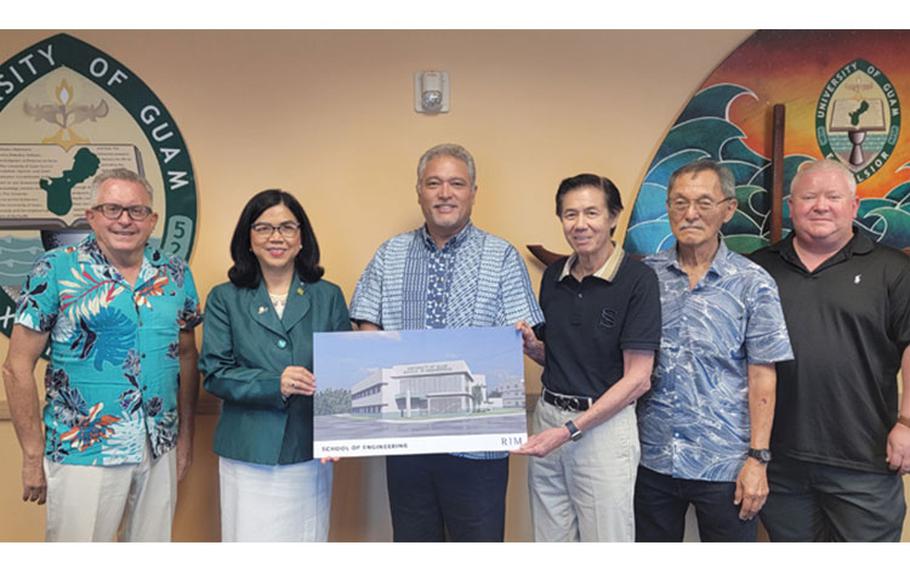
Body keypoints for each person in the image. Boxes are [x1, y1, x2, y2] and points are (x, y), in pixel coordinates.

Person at [349, 143, 544, 542]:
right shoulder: (390, 254)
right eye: (433, 183)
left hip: (480, 444)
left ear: (473, 191)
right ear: (418, 191)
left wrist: (527, 343)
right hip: (407, 441)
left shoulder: (502, 256)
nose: (445, 193)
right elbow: (365, 322)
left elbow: (528, 338)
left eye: (457, 183)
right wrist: (378, 356)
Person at [2, 168, 201, 541]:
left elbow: (187, 357)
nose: (125, 220)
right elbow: (16, 367)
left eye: (137, 210)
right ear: (91, 216)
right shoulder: (56, 268)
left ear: (152, 220)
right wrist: (32, 454)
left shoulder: (175, 272)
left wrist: (185, 439)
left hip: (158, 445)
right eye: (112, 209)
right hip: (84, 447)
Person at [751, 159, 910, 541]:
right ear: (791, 206)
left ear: (854, 206)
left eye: (833, 196)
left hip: (865, 459)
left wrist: (907, 423)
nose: (820, 205)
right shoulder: (758, 270)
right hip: (781, 462)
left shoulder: (892, 269)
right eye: (808, 196)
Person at [635, 159, 793, 541]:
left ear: (728, 209)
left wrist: (758, 459)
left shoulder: (753, 283)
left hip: (726, 465)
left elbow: (762, 374)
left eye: (704, 203)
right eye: (679, 203)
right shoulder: (644, 277)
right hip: (652, 459)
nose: (690, 214)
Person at [513, 173, 661, 541]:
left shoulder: (638, 280)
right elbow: (561, 357)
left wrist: (570, 430)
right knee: (550, 540)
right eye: (570, 214)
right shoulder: (553, 277)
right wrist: (533, 347)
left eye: (591, 213)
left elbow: (638, 379)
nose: (580, 225)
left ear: (613, 217)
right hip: (548, 417)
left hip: (602, 430)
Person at [199, 189, 350, 542]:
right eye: (264, 228)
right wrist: (274, 383)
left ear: (302, 238)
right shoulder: (224, 298)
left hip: (308, 448)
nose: (276, 237)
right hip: (247, 450)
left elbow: (345, 372)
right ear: (248, 240)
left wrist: (341, 435)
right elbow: (216, 372)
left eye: (287, 227)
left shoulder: (328, 295)